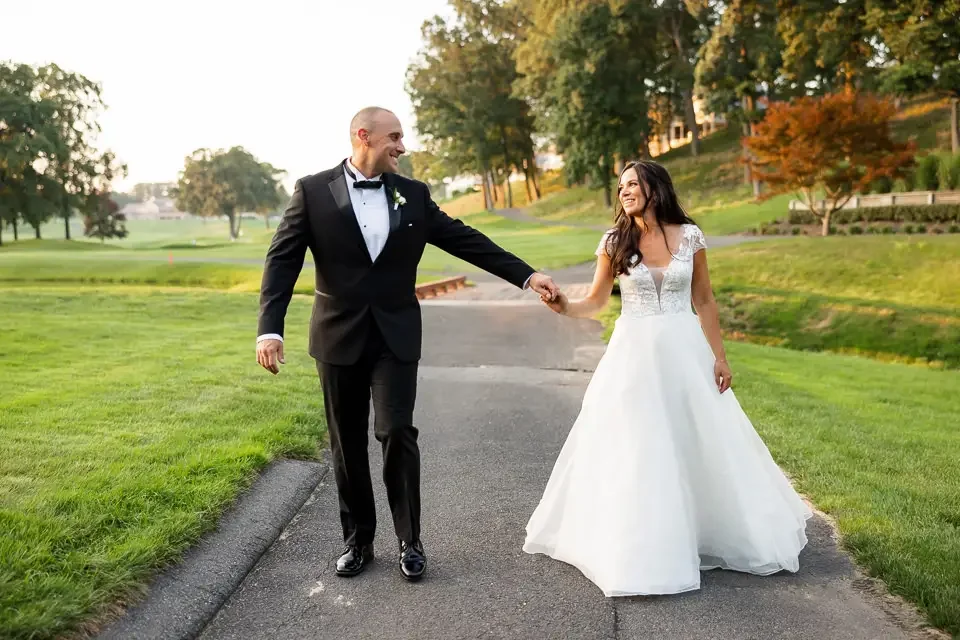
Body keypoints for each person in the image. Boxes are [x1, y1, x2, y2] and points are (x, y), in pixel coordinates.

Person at [256, 107, 559, 582]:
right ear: (364, 136)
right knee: (346, 442)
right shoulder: (312, 191)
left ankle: (409, 541)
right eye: (394, 136)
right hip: (336, 335)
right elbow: (282, 261)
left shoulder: (412, 194)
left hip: (396, 334)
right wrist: (269, 329)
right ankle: (358, 541)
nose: (402, 146)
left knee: (397, 431)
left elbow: (464, 240)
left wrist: (527, 274)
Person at [523, 160, 811, 597]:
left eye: (633, 184)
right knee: (640, 445)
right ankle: (641, 545)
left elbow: (705, 300)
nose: (624, 192)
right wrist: (564, 305)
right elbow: (597, 301)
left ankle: (705, 532)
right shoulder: (614, 241)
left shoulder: (690, 236)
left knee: (698, 439)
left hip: (685, 353)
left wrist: (720, 357)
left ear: (656, 188)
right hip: (633, 357)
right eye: (620, 187)